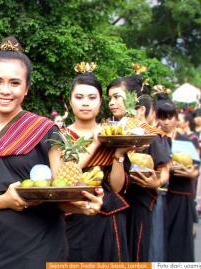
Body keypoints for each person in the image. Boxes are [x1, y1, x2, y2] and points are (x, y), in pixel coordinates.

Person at [0, 37, 103, 269]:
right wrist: (4, 200)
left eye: (15, 83)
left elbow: (60, 193)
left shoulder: (44, 130)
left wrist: (82, 205)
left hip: (43, 245)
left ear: (26, 89)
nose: (5, 90)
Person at [64, 63, 132, 261]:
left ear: (100, 102)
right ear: (69, 102)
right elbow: (63, 178)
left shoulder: (114, 135)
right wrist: (95, 142)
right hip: (71, 216)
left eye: (92, 98)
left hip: (108, 216)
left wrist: (118, 154)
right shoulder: (60, 136)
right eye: (79, 97)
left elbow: (116, 188)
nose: (86, 103)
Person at [107, 76, 171, 262]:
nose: (112, 103)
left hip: (138, 200)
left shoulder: (149, 133)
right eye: (110, 98)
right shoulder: (108, 130)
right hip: (111, 202)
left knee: (136, 251)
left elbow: (164, 168)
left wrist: (157, 181)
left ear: (134, 99)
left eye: (118, 97)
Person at [158, 105, 199, 262]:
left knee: (180, 241)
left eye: (170, 117)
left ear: (176, 118)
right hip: (160, 193)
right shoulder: (154, 139)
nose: (166, 121)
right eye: (163, 117)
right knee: (161, 239)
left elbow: (196, 168)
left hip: (182, 194)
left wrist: (190, 173)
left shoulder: (185, 141)